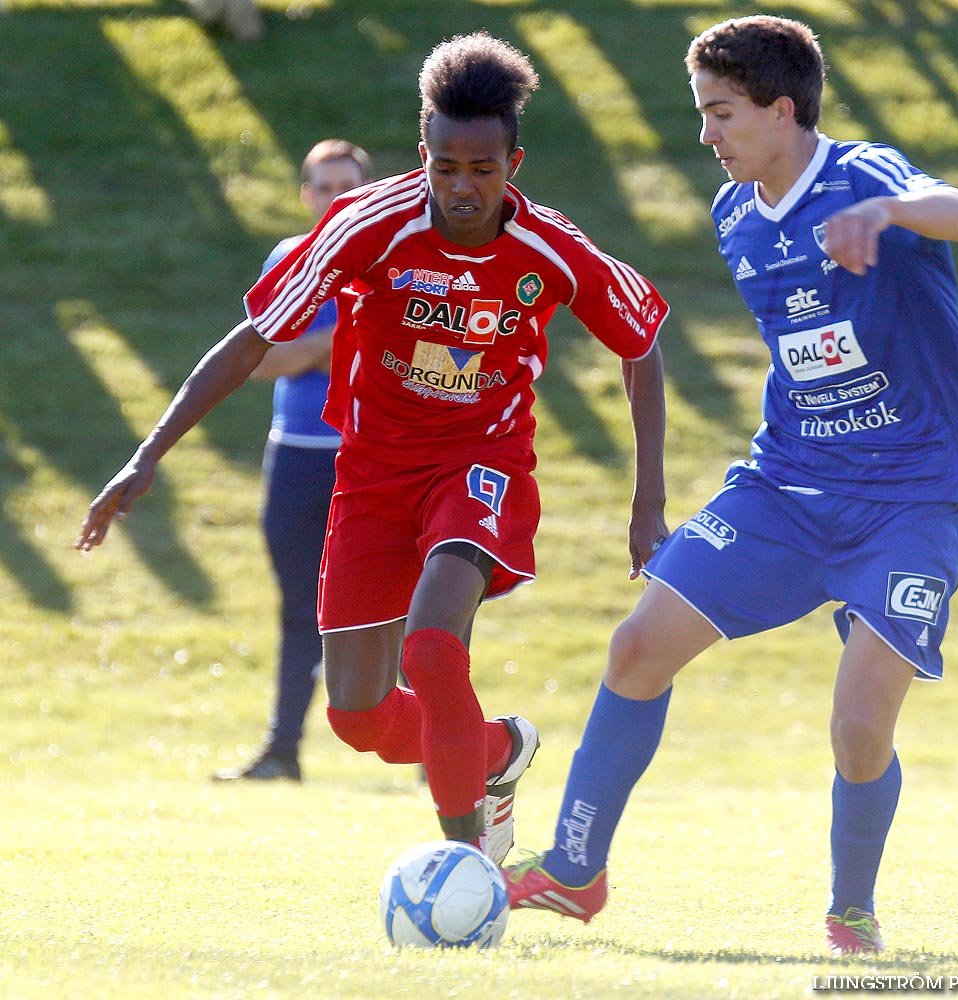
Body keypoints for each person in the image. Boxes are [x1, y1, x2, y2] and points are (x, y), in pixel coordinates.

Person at [76, 31, 669, 864]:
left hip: (481, 464)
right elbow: (252, 338)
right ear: (421, 154)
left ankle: (468, 870)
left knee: (431, 648)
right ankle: (495, 754)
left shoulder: (551, 248)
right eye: (445, 168)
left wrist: (648, 506)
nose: (463, 188)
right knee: (357, 716)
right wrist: (146, 456)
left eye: (483, 170)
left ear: (514, 163)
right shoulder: (367, 225)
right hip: (372, 476)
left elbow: (639, 342)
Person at [505, 14, 958, 955]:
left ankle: (851, 911)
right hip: (788, 486)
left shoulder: (862, 176)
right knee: (638, 647)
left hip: (910, 498)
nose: (705, 135)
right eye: (700, 114)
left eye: (720, 113)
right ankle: (572, 873)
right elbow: (806, 351)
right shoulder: (734, 217)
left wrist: (887, 215)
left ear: (781, 109)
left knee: (858, 728)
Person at [211, 139, 374, 783]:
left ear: (368, 188)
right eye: (323, 188)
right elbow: (260, 360)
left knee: (402, 602)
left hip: (370, 458)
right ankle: (282, 752)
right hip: (296, 456)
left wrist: (304, 347)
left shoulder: (389, 260)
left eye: (347, 186)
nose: (335, 199)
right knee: (297, 606)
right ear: (306, 195)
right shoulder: (289, 260)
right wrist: (337, 339)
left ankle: (427, 747)